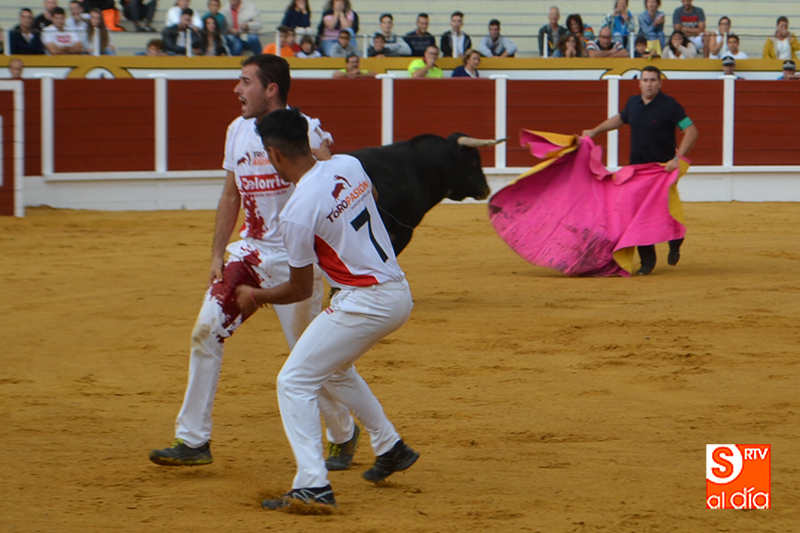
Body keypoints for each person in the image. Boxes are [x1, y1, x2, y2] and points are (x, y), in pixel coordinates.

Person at [149, 55, 363, 473]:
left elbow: (330, 188)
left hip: (296, 261)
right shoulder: (237, 130)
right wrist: (216, 252)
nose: (236, 89)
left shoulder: (306, 128)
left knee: (309, 357)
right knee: (206, 331)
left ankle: (342, 431)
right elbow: (231, 194)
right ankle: (193, 439)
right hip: (249, 252)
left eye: (245, 81)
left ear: (271, 89)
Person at [244, 107, 418, 510]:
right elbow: (371, 198)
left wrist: (256, 296)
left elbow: (300, 288)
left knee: (294, 381)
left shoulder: (297, 211)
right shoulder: (349, 163)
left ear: (274, 155)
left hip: (366, 300)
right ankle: (389, 445)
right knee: (334, 368)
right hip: (397, 291)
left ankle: (312, 483)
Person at [581, 65, 698, 275]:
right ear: (639, 82)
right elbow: (619, 119)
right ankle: (647, 260)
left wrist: (677, 159)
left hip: (662, 170)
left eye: (653, 80)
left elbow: (691, 130)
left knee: (667, 211)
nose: (649, 84)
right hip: (637, 170)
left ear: (660, 83)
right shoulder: (633, 103)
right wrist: (595, 130)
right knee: (638, 215)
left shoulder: (670, 106)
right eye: (645, 80)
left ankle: (675, 242)